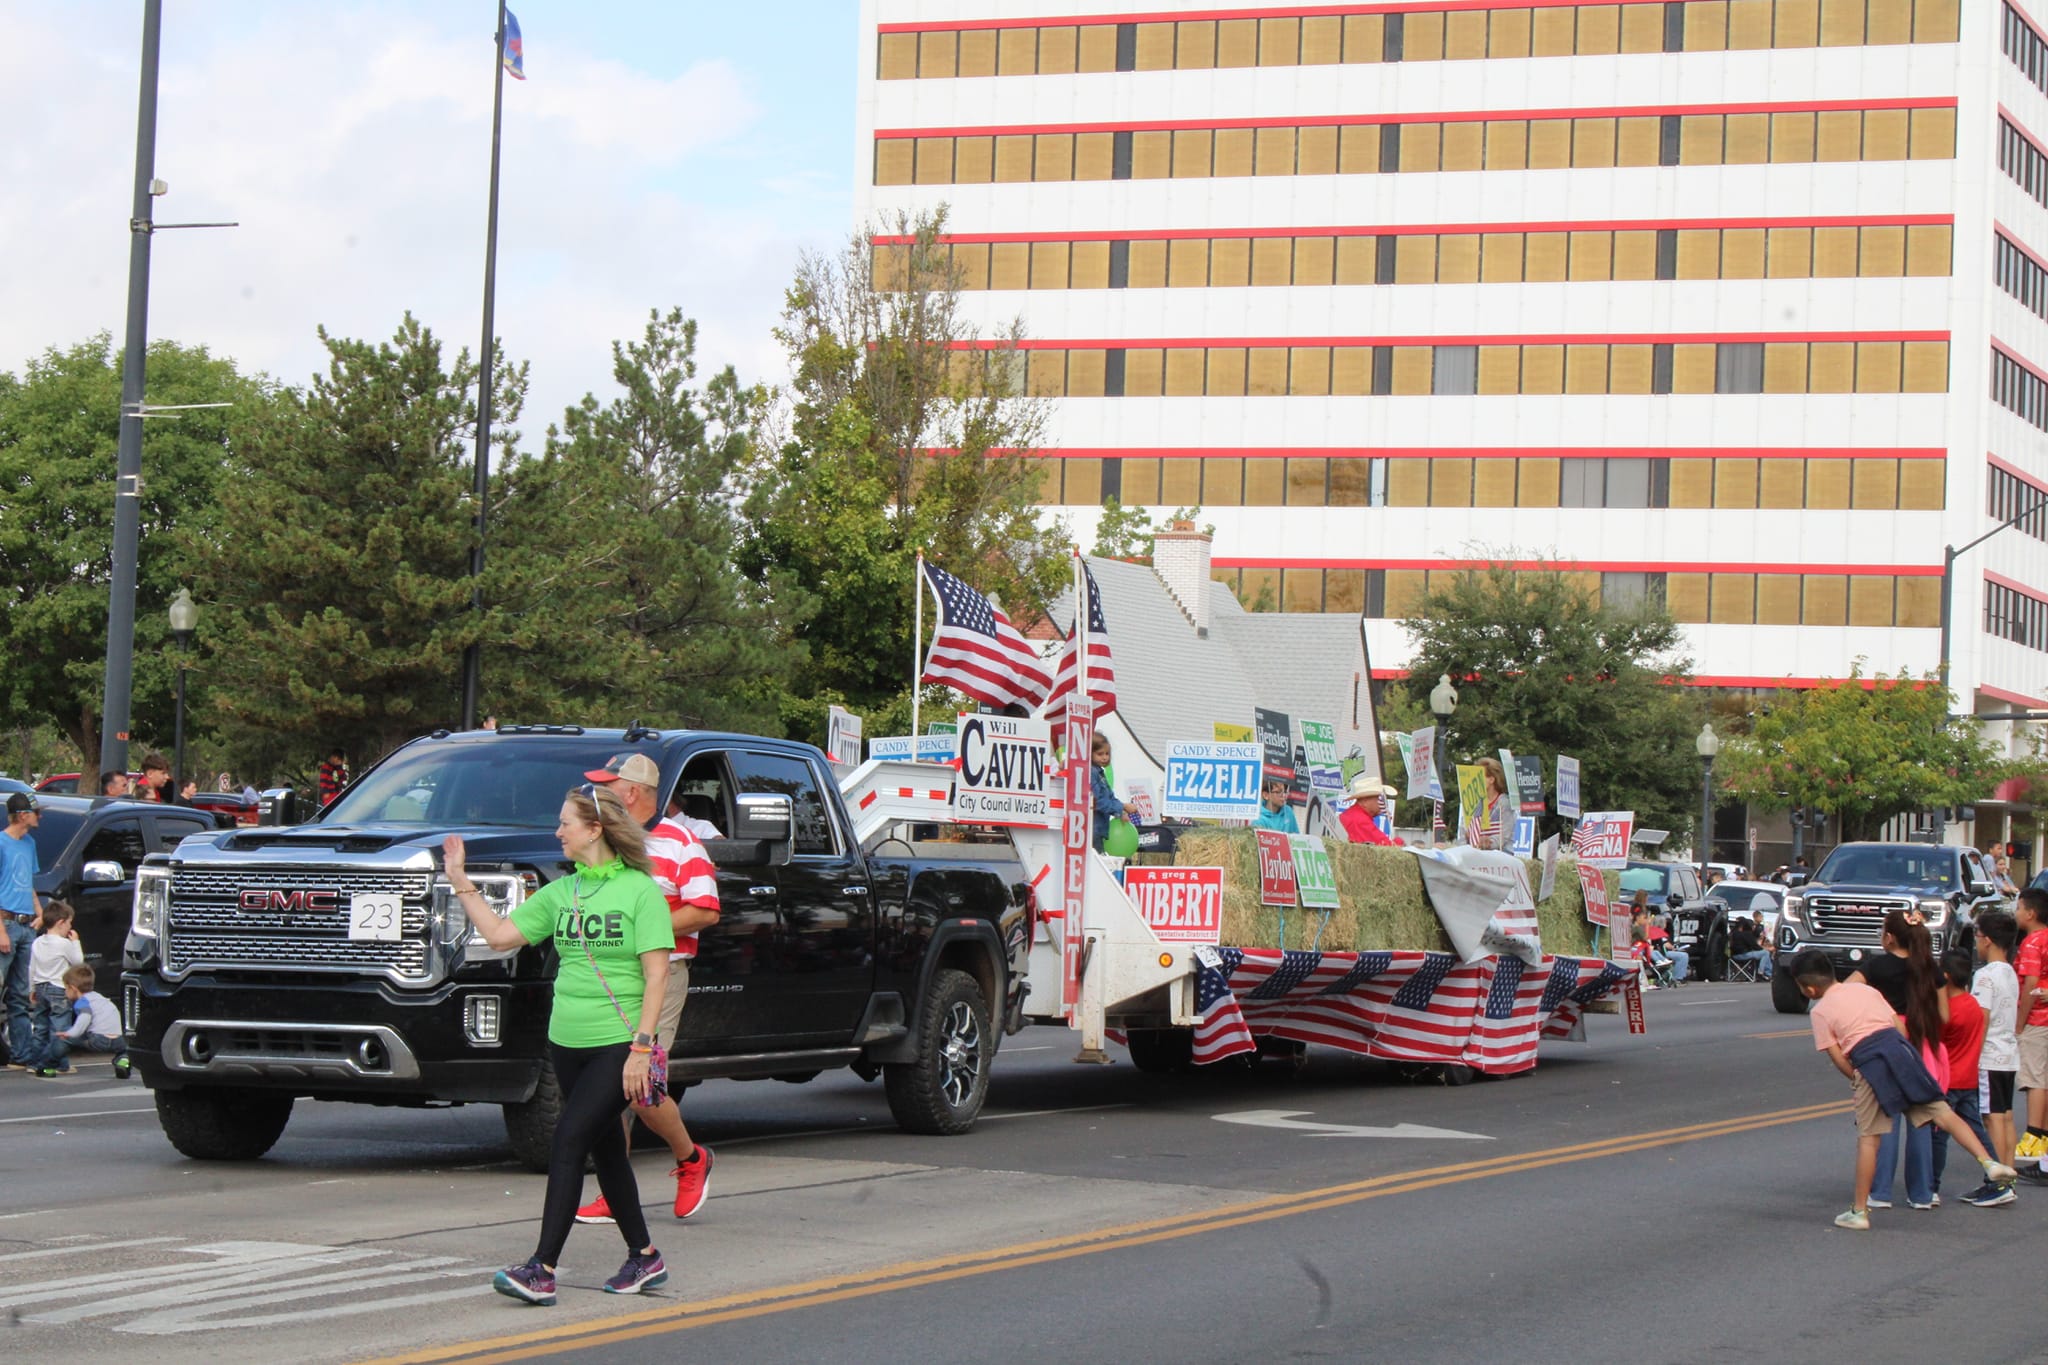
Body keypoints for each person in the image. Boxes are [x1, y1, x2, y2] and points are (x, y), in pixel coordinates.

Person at [447, 784, 674, 1305]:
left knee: (568, 1140)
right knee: (606, 1148)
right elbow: (502, 937)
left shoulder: (641, 892)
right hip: (566, 1043)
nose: (557, 832)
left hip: (619, 1043)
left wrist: (642, 1048)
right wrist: (461, 881)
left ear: (595, 829)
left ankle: (541, 1269)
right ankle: (644, 1257)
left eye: (565, 823)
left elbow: (657, 976)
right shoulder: (562, 892)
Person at [575, 752, 718, 1225]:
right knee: (606, 1085)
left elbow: (705, 910)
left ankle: (690, 1157)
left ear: (631, 792)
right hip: (612, 978)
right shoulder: (605, 842)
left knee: (640, 1087)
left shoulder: (681, 843)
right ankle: (616, 1193)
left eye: (607, 786)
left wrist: (647, 930)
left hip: (664, 975)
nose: (598, 794)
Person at [1789, 948, 2016, 1231]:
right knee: (1942, 1112)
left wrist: (1857, 1078)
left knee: (1869, 1139)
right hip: (1900, 1051)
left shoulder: (1821, 1011)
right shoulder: (1868, 992)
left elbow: (1837, 1056)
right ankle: (1988, 1163)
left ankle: (1859, 1211)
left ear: (1809, 988)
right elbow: (1900, 1028)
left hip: (1869, 1061)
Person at [1847, 911, 1943, 1209]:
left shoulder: (1877, 966)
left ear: (1888, 937)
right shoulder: (1929, 967)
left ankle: (1880, 1191)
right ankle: (1922, 1193)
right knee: (1922, 1117)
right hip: (1921, 1043)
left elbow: (1846, 990)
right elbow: (1944, 1014)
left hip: (1886, 1041)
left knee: (1885, 1116)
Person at [1931, 955, 2004, 1206]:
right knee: (1976, 1132)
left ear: (1946, 978)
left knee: (1938, 1135)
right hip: (1969, 1079)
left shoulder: (1949, 1011)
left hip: (1948, 1080)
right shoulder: (1973, 1004)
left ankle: (1931, 1186)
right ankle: (1998, 1180)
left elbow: (1935, 1039)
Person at [1973, 909, 2022, 1173]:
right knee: (2005, 1116)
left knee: (1991, 1118)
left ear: (1988, 939)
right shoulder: (2010, 972)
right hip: (2009, 1054)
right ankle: (2009, 1172)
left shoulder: (1985, 976)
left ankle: (1998, 1178)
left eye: (1977, 935)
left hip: (1989, 1056)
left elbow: (1981, 1021)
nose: (1976, 941)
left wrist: (1972, 1058)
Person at [0, 792, 44, 1068]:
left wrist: (39, 912)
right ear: (22, 815)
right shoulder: (1, 843)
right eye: (36, 812)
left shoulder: (29, 843)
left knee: (18, 993)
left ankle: (21, 1055)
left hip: (26, 923)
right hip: (5, 923)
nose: (40, 817)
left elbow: (27, 882)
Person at [31, 963, 126, 1079]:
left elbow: (84, 1018)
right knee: (125, 1051)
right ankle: (123, 1062)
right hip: (118, 1038)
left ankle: (47, 1068)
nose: (65, 992)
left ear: (73, 988)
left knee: (62, 1041)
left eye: (66, 988)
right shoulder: (101, 998)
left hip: (98, 1039)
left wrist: (70, 1033)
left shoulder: (82, 1002)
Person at [22, 900, 81, 1075]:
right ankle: (59, 1063)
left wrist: (31, 988)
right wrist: (76, 942)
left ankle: (34, 1062)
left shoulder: (38, 942)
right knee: (60, 1028)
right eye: (69, 922)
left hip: (41, 988)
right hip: (58, 988)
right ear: (61, 922)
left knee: (40, 1027)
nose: (70, 926)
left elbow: (31, 967)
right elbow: (78, 962)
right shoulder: (64, 944)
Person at [2012, 888, 2048, 1168]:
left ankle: (2033, 1137)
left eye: (2018, 908)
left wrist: (2019, 1023)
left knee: (2034, 1079)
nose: (2016, 913)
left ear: (2030, 913)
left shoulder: (2033, 943)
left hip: (2037, 1020)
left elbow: (2030, 984)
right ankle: (2043, 1138)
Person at [1088, 735, 1127, 851]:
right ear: (1090, 753)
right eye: (1100, 754)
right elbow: (1097, 801)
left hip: (1099, 829)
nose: (1104, 757)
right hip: (1093, 829)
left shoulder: (1100, 773)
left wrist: (1121, 811)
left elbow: (1110, 796)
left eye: (1107, 754)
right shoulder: (1091, 772)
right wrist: (1123, 806)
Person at [1464, 757, 1511, 850]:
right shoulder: (1473, 801)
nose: (1476, 779)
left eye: (1480, 776)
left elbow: (1505, 835)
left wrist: (1489, 842)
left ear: (1491, 780)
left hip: (1499, 856)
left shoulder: (1504, 803)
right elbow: (1463, 831)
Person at [1337, 773, 1396, 847]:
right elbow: (1384, 844)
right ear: (1365, 801)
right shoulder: (1360, 820)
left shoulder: (1353, 814)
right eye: (1378, 798)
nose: (1382, 802)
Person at [1729, 913, 1772, 980]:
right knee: (1766, 953)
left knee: (1764, 954)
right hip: (1743, 955)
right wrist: (1763, 948)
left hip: (1733, 955)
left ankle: (1768, 973)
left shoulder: (1733, 933)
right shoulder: (1746, 934)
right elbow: (1755, 946)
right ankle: (1763, 972)